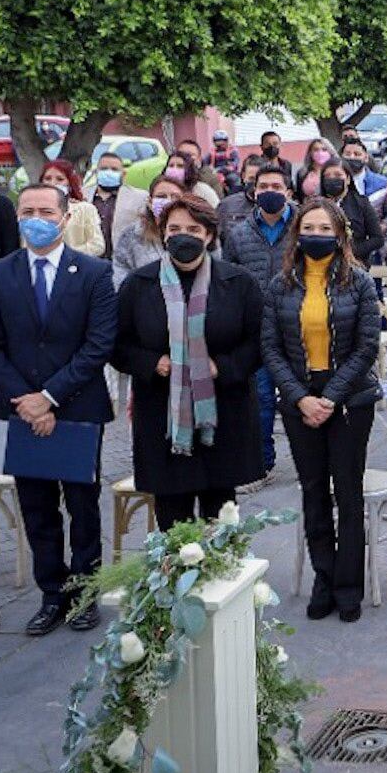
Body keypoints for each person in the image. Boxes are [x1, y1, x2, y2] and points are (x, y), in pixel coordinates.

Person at [0, 182, 117, 635]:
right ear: (17, 216)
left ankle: (86, 592)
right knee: (36, 508)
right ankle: (51, 595)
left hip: (77, 407)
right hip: (19, 411)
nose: (36, 218)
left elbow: (97, 346)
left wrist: (49, 398)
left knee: (83, 506)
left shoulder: (93, 273)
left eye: (44, 210)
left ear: (65, 217)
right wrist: (28, 402)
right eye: (27, 210)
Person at [259, 198, 382, 623]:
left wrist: (331, 396)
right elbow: (271, 349)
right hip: (299, 399)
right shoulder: (280, 286)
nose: (317, 235)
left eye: (325, 229)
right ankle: (323, 579)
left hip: (348, 398)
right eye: (309, 227)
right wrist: (300, 397)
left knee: (347, 493)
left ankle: (349, 586)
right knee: (313, 491)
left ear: (340, 236)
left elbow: (367, 346)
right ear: (298, 233)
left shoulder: (360, 283)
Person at [113, 194, 265, 527]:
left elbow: (259, 342)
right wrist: (152, 363)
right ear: (162, 233)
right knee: (173, 527)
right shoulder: (138, 285)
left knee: (221, 524)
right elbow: (117, 345)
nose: (184, 235)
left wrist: (222, 367)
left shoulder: (238, 283)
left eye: (193, 229)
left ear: (209, 235)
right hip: (163, 421)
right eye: (174, 228)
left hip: (223, 417)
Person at [220, 164, 300, 481]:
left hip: (296, 326)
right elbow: (228, 282)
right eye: (264, 186)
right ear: (253, 192)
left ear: (288, 193)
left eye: (277, 187)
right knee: (262, 398)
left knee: (299, 396)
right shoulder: (239, 235)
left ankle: (311, 465)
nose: (270, 192)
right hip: (257, 328)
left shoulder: (303, 228)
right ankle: (261, 464)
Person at [111, 174, 185, 283]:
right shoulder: (131, 236)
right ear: (150, 202)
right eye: (161, 196)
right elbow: (120, 274)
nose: (168, 201)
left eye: (175, 197)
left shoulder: (195, 232)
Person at [317, 159, 387, 266]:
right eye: (327, 176)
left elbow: (377, 239)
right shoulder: (316, 205)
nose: (332, 179)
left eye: (338, 175)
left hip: (354, 263)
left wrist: (351, 251)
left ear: (348, 179)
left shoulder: (361, 203)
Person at [33, 160, 105, 258]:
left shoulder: (85, 209)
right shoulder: (32, 212)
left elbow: (97, 245)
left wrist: (63, 255)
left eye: (60, 179)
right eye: (47, 178)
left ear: (69, 183)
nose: (53, 183)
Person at [90, 152, 148, 257]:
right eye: (104, 169)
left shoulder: (139, 198)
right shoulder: (83, 195)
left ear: (123, 174)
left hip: (123, 261)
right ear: (96, 172)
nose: (108, 172)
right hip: (90, 261)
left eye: (114, 169)